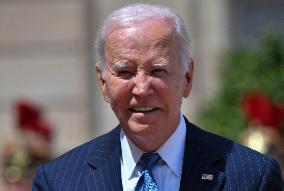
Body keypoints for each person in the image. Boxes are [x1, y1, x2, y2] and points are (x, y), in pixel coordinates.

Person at [32, 3, 283, 191]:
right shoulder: (59, 181)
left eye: (157, 71)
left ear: (187, 78)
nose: (141, 89)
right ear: (103, 83)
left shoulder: (251, 177)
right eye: (126, 72)